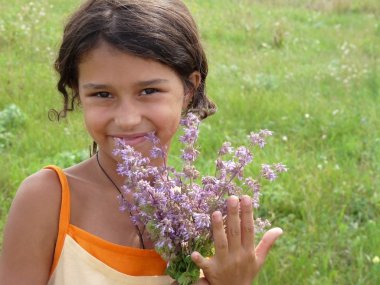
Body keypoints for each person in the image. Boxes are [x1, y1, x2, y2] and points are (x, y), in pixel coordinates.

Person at [0, 0, 283, 284]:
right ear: (78, 93)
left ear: (188, 90)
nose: (127, 119)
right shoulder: (48, 200)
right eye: (102, 94)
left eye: (149, 90)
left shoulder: (202, 217)